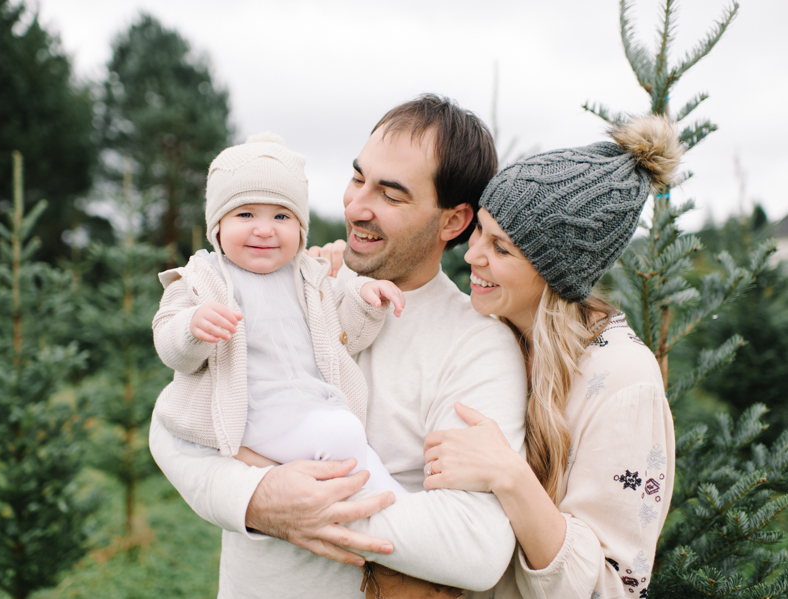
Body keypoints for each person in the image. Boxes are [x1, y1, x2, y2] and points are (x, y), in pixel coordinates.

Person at [148, 94, 529, 598]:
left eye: (390, 195)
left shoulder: (477, 346)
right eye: (357, 178)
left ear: (453, 222)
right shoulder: (290, 281)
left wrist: (299, 504)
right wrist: (255, 498)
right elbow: (173, 423)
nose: (357, 206)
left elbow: (474, 545)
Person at [421, 115, 679, 598]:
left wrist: (510, 476)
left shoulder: (624, 380)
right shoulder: (485, 335)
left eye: (501, 247)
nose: (472, 255)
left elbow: (613, 585)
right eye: (479, 232)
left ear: (554, 273)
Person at [152, 132, 406, 495]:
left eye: (281, 215)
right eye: (245, 213)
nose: (264, 229)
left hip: (308, 406)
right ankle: (368, 516)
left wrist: (365, 299)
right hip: (249, 410)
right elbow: (168, 344)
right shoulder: (201, 279)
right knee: (345, 437)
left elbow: (346, 337)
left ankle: (395, 515)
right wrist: (192, 328)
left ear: (300, 230)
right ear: (217, 226)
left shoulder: (309, 277)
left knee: (366, 460)